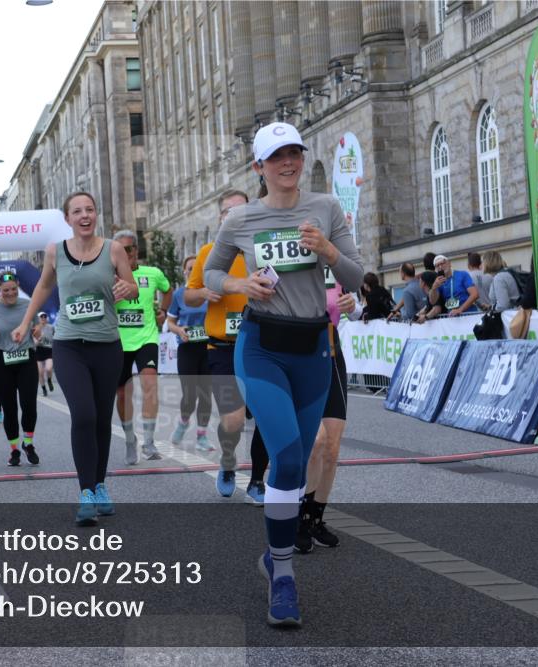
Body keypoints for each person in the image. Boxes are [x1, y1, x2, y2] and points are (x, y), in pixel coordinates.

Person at [203, 122, 363, 627]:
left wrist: (330, 252)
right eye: (276, 157)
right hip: (261, 346)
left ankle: (274, 557)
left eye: (294, 153)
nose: (288, 163)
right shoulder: (241, 219)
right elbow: (211, 273)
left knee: (297, 463)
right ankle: (285, 576)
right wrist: (239, 282)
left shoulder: (326, 208)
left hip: (313, 346)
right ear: (259, 167)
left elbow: (358, 275)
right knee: (289, 452)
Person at [11, 192, 137, 526]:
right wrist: (25, 323)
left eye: (90, 210)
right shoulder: (55, 251)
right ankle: (85, 493)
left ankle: (100, 485)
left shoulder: (114, 249)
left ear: (97, 214)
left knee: (100, 418)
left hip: (107, 345)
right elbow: (41, 287)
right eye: (77, 211)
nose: (84, 216)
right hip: (69, 345)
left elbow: (133, 286)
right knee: (82, 414)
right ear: (67, 219)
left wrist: (127, 289)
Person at [186, 189, 270, 502]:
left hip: (261, 344)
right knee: (233, 419)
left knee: (264, 415)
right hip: (221, 347)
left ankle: (258, 480)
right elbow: (189, 295)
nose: (232, 216)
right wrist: (204, 294)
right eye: (226, 212)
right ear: (220, 218)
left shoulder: (261, 250)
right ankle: (227, 459)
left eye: (238, 210)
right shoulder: (209, 253)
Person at [296, 283, 359, 553]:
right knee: (315, 444)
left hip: (331, 359)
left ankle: (315, 519)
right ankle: (300, 517)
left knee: (332, 448)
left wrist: (353, 307)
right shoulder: (286, 257)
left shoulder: (334, 265)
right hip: (297, 360)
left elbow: (357, 311)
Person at [113, 229, 173, 464]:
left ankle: (148, 441)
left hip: (147, 337)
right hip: (118, 342)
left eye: (128, 249)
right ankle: (130, 439)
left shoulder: (153, 273)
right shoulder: (110, 276)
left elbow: (168, 291)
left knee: (150, 385)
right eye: (118, 250)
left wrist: (164, 312)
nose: (124, 254)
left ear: (136, 250)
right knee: (122, 393)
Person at [0, 273, 41, 467]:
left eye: (14, 288)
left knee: (29, 404)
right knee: (9, 407)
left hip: (26, 358)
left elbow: (37, 326)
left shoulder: (27, 305)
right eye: (6, 290)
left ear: (18, 286)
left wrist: (36, 331)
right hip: (1, 360)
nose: (11, 293)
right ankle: (14, 450)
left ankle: (28, 443)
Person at [166, 255, 212, 452]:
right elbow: (170, 322)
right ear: (184, 272)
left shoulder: (210, 293)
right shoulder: (179, 295)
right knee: (189, 394)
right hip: (187, 348)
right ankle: (183, 422)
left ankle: (202, 436)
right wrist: (179, 331)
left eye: (197, 268)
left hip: (209, 348)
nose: (193, 271)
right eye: (190, 268)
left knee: (206, 395)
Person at [34, 312, 56, 396]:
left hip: (48, 350)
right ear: (38, 318)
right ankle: (44, 389)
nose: (43, 318)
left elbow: (55, 337)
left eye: (45, 316)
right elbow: (33, 343)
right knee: (40, 373)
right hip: (38, 351)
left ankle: (49, 380)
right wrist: (38, 340)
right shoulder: (35, 328)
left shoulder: (51, 327)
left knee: (49, 368)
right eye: (41, 317)